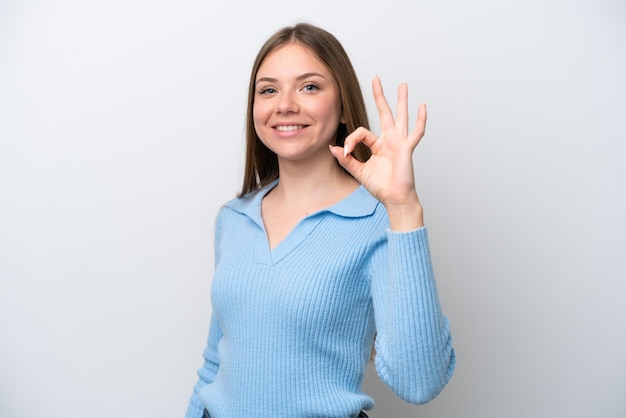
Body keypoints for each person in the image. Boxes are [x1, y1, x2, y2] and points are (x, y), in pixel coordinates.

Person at [185, 22, 455, 418]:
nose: (285, 105)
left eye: (309, 87)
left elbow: (420, 383)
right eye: (269, 89)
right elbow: (215, 363)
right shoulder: (233, 219)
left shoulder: (380, 221)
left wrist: (403, 208)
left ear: (343, 105)